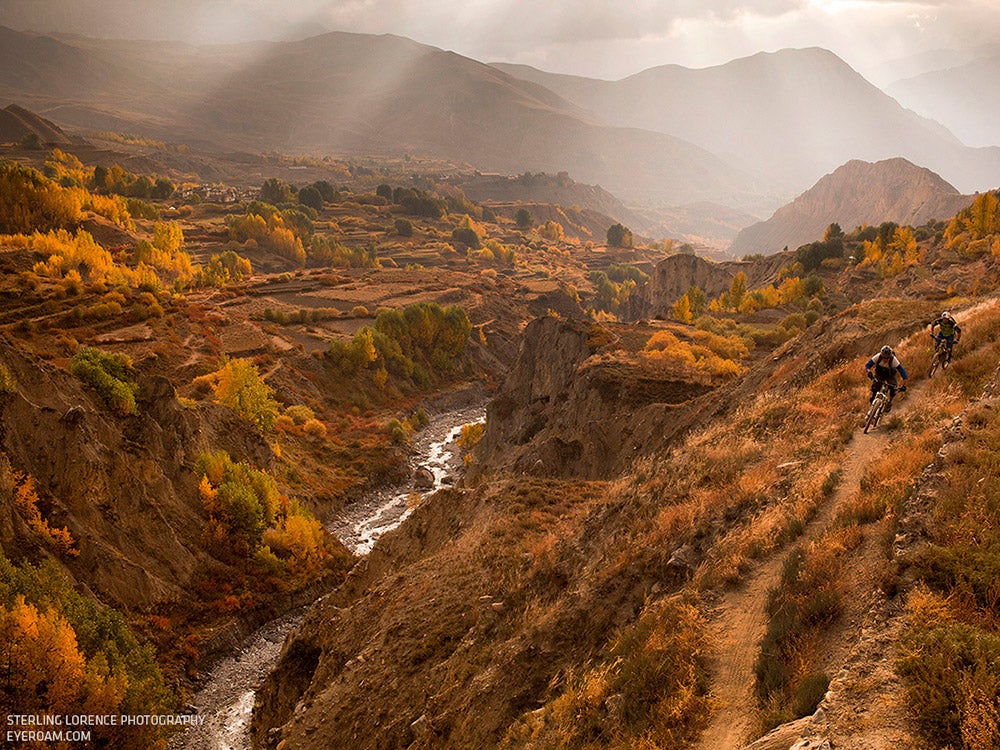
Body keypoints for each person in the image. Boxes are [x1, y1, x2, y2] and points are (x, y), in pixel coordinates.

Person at [864, 345, 908, 412]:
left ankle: (890, 401)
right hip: (880, 373)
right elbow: (868, 365)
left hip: (890, 375)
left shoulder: (894, 360)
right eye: (884, 357)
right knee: (875, 386)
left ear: (890, 356)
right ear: (881, 355)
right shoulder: (878, 357)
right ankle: (873, 397)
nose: (885, 359)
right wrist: (869, 372)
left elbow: (903, 373)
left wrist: (904, 385)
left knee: (893, 388)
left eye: (887, 358)